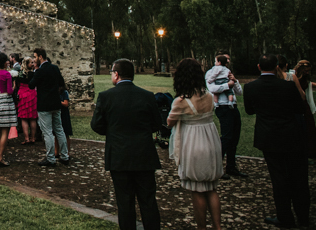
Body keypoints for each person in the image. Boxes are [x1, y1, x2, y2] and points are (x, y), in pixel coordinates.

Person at [91, 58, 161, 230]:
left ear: (116, 74)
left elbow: (96, 124)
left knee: (124, 203)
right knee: (148, 201)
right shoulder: (147, 96)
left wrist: (113, 132)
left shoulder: (106, 96)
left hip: (119, 156)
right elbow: (157, 123)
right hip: (144, 154)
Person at [245, 54, 309, 228]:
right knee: (298, 177)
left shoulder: (251, 87)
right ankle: (303, 217)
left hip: (269, 137)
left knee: (278, 178)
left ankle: (285, 217)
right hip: (291, 135)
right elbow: (299, 108)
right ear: (277, 67)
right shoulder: (288, 87)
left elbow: (250, 111)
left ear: (259, 67)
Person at [167, 58, 223, 230]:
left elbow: (169, 122)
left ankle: (201, 227)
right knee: (211, 188)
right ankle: (218, 226)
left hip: (193, 143)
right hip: (211, 140)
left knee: (198, 189)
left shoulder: (181, 101)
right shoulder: (208, 95)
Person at [205, 53, 245, 179]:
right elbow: (212, 89)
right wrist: (227, 85)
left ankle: (231, 166)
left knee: (234, 137)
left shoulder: (228, 73)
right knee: (226, 137)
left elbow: (239, 92)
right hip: (222, 107)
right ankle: (217, 167)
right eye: (225, 60)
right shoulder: (211, 73)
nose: (227, 63)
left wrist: (235, 80)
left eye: (228, 61)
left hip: (233, 107)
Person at [29, 48, 69, 166]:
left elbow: (31, 85)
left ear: (40, 57)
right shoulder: (54, 68)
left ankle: (51, 158)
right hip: (56, 103)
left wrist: (35, 72)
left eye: (35, 57)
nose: (34, 59)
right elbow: (61, 83)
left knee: (47, 132)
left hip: (44, 104)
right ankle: (65, 156)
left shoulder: (40, 71)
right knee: (59, 129)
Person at [16, 57, 38, 145]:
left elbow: (17, 84)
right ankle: (33, 137)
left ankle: (26, 138)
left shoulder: (20, 74)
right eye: (31, 62)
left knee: (24, 118)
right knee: (33, 118)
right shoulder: (34, 74)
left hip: (22, 94)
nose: (33, 64)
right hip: (32, 94)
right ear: (27, 64)